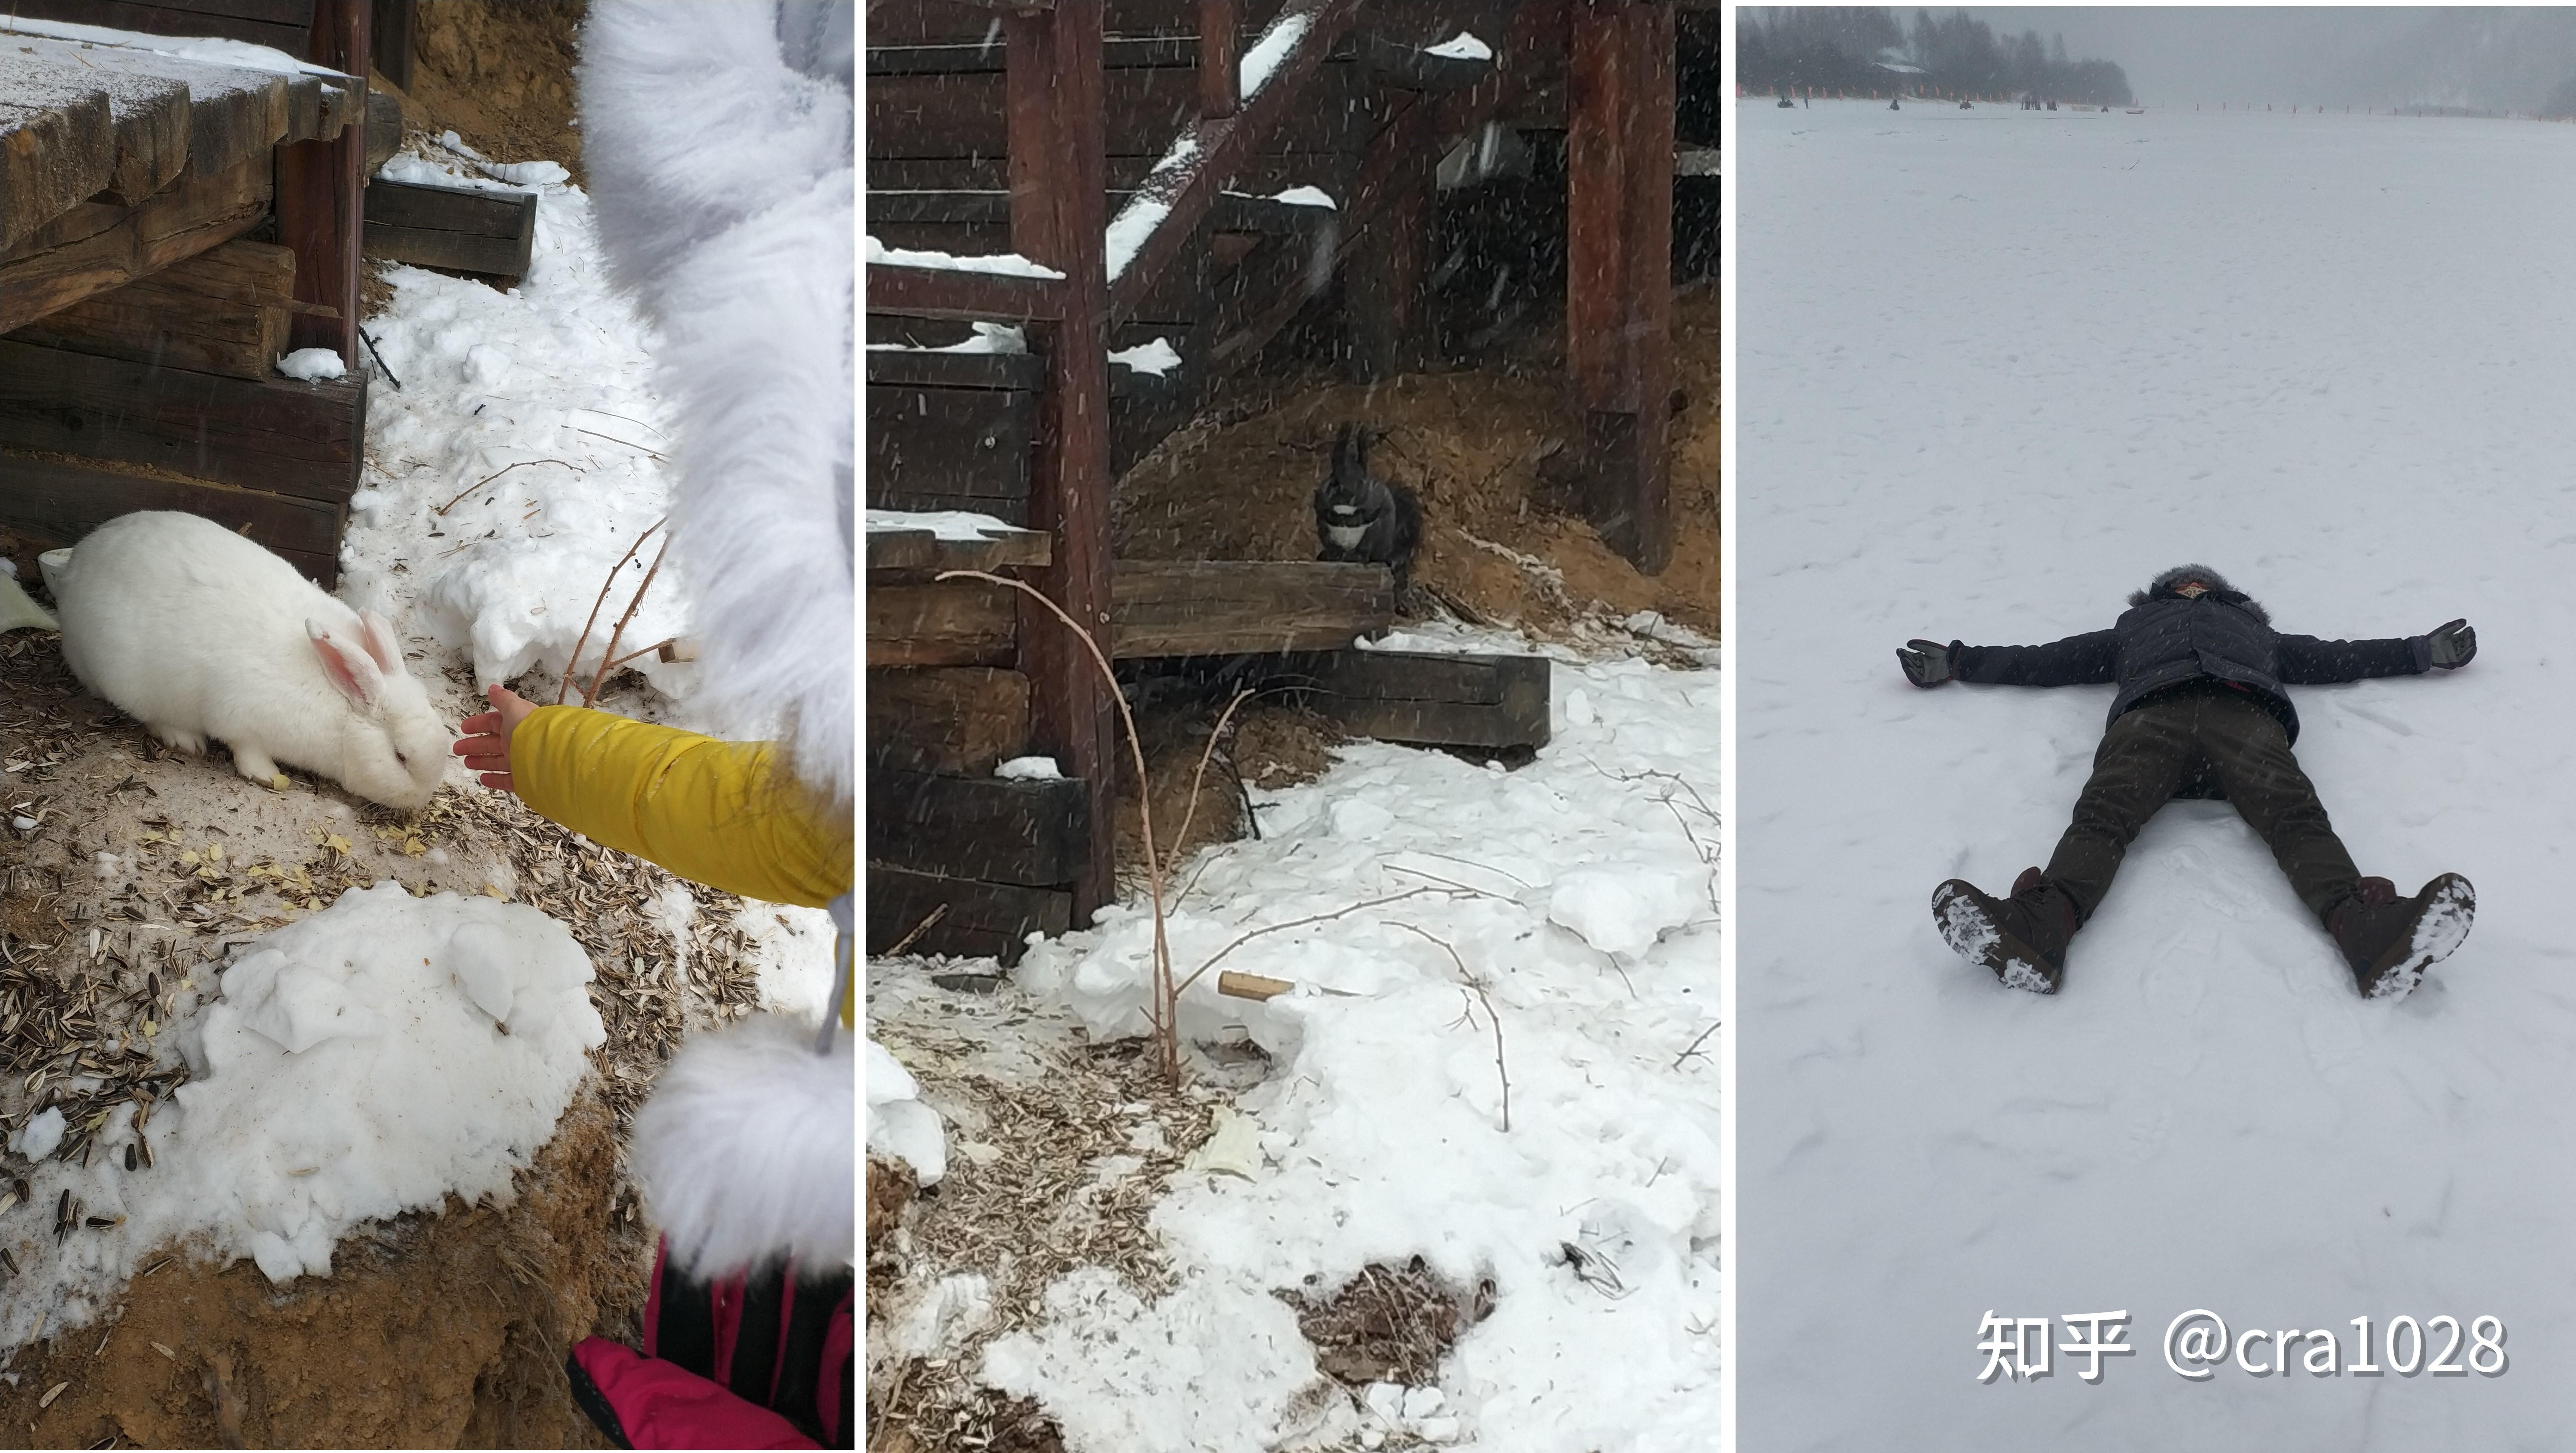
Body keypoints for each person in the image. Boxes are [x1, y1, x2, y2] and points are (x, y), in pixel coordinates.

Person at [1897, 565, 2477, 1000]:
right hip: (2154, 715)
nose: (2194, 587)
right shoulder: (2134, 629)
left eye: (2204, 585)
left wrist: (2422, 652)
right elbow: (2049, 659)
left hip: (2243, 715)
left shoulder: (2258, 636)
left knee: (2294, 815)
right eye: (2184, 584)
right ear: (2164, 595)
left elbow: (2337, 657)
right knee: (2103, 814)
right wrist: (1959, 660)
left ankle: (2368, 932)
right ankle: (2040, 928)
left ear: (2227, 597)